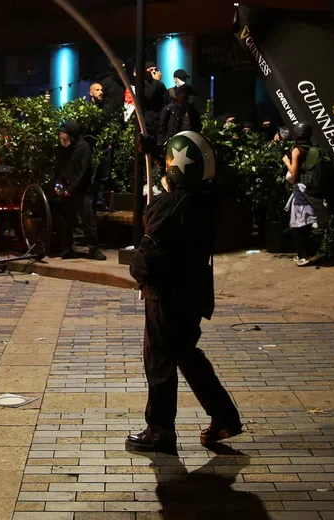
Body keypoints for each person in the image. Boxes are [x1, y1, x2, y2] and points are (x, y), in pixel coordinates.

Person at [126, 131, 242, 454]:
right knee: (187, 355)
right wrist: (157, 150)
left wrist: (136, 265)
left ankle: (160, 430)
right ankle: (225, 417)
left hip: (167, 296)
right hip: (193, 293)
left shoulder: (168, 208)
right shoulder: (208, 200)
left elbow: (146, 261)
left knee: (160, 358)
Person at [50, 120, 104, 260]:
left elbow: (84, 171)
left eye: (64, 133)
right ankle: (66, 248)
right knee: (66, 221)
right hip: (66, 189)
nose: (61, 136)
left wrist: (72, 188)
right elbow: (58, 170)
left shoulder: (83, 148)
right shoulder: (61, 149)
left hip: (82, 190)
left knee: (88, 219)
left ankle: (94, 249)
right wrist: (58, 185)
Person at [283, 125, 324, 266]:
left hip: (301, 192)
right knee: (307, 225)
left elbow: (294, 174)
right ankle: (312, 254)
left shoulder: (297, 150)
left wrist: (286, 161)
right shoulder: (312, 149)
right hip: (312, 192)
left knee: (297, 227)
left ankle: (303, 256)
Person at [157, 84, 202, 149]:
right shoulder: (169, 110)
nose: (191, 98)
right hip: (172, 146)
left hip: (188, 145)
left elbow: (198, 128)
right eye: (189, 96)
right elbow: (161, 130)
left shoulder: (194, 112)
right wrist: (162, 145)